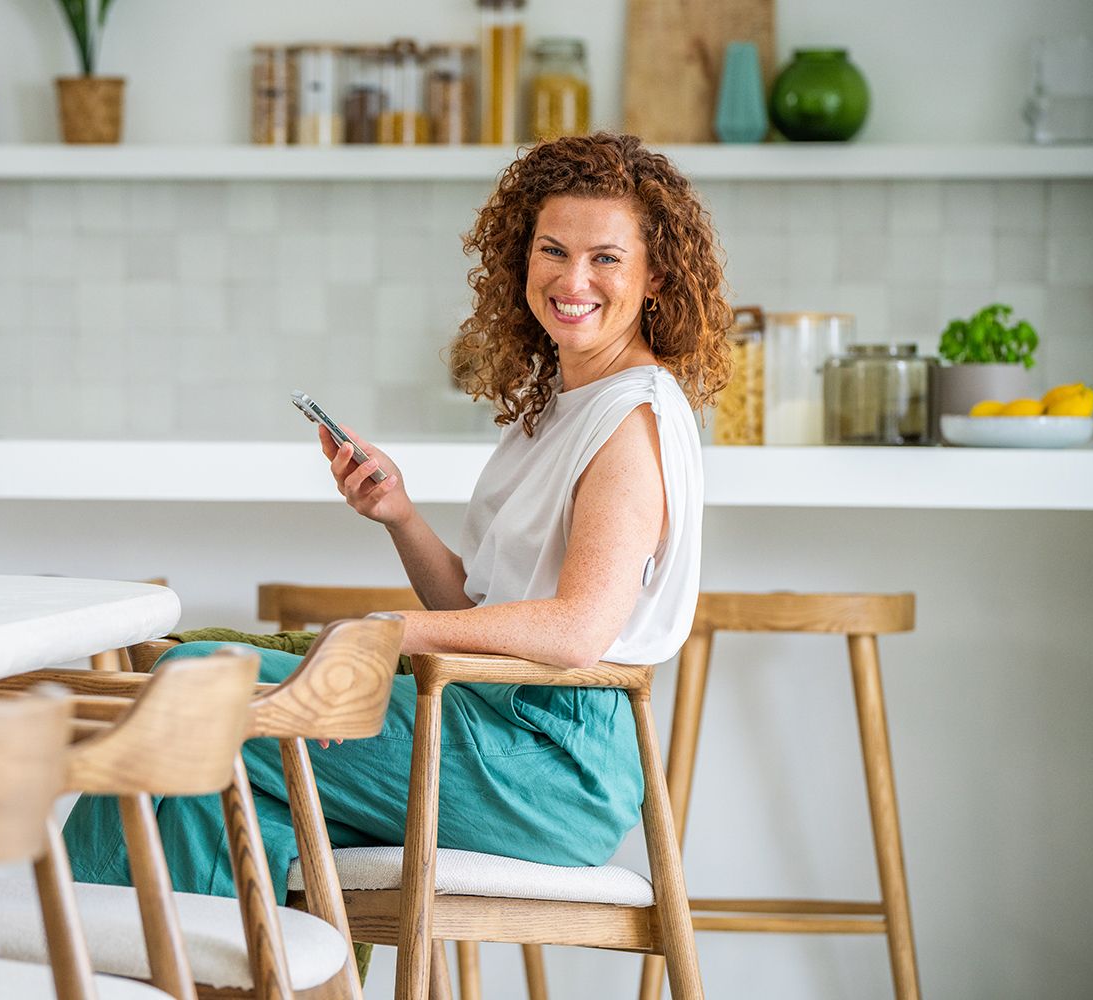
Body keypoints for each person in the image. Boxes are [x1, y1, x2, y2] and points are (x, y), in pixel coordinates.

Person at [63, 132, 733, 950]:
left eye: (606, 259)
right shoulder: (564, 406)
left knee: (196, 682)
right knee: (213, 782)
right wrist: (401, 516)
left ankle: (72, 965)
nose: (572, 280)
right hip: (482, 721)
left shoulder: (630, 421)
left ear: (655, 275)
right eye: (552, 251)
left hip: (551, 769)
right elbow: (484, 612)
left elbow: (576, 631)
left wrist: (395, 633)